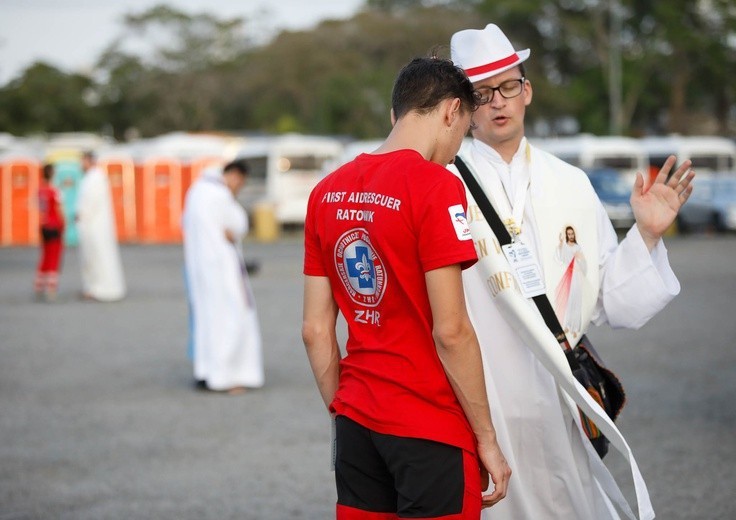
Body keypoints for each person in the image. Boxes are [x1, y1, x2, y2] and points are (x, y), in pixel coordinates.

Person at [448, 23, 695, 520]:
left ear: (527, 91)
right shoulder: (441, 184)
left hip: (558, 392)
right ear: (462, 107)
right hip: (482, 393)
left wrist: (646, 236)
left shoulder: (571, 182)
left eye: (508, 86)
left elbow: (610, 301)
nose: (498, 102)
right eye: (481, 93)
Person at [302, 56, 511, 520]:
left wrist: (343, 409)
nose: (458, 148)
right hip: (428, 422)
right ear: (451, 111)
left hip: (357, 422)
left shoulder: (326, 192)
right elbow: (451, 330)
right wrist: (487, 440)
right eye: (463, 128)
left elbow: (315, 330)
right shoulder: (436, 186)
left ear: (395, 113)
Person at [182, 159, 264, 394]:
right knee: (231, 319)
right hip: (222, 269)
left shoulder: (196, 190)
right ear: (235, 175)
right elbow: (238, 225)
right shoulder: (220, 195)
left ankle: (206, 372)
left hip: (199, 269)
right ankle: (228, 377)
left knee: (206, 321)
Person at [76, 151, 126, 302]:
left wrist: (82, 213)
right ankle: (92, 286)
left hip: (95, 225)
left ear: (89, 160)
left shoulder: (96, 177)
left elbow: (91, 201)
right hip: (89, 224)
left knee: (98, 256)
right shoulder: (91, 177)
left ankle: (101, 287)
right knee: (91, 257)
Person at [34, 163, 65, 301]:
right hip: (54, 225)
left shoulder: (40, 190)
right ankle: (51, 289)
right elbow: (59, 209)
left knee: (45, 255)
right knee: (54, 256)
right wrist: (64, 223)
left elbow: (40, 208)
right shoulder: (54, 191)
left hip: (44, 225)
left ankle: (39, 286)